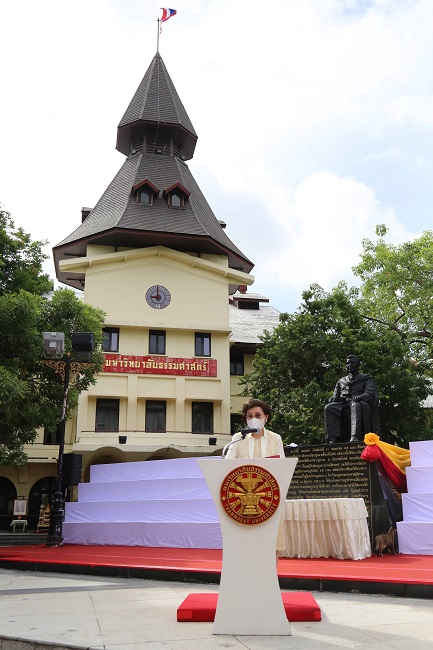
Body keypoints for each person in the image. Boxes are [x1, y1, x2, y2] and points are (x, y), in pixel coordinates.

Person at [226, 398, 286, 558]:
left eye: (258, 415)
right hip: (243, 497)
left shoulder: (275, 438)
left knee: (272, 544)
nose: (254, 418)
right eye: (250, 416)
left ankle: (270, 573)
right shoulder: (239, 438)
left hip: (270, 497)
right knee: (247, 544)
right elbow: (227, 465)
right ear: (245, 418)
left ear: (266, 417)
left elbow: (282, 467)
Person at [324, 355, 379, 444]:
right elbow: (335, 396)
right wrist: (333, 399)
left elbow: (369, 393)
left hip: (359, 402)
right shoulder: (341, 381)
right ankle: (333, 438)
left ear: (358, 364)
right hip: (344, 403)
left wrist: (359, 397)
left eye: (352, 362)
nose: (349, 365)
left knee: (355, 405)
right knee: (329, 407)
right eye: (348, 363)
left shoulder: (367, 378)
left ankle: (354, 436)